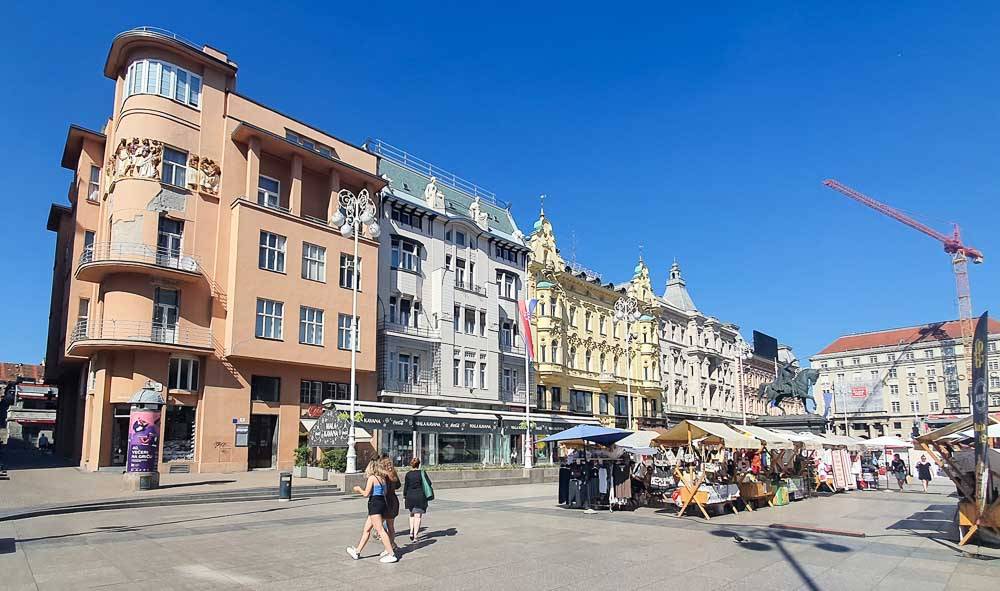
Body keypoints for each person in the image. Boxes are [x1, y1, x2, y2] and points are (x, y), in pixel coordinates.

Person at [346, 460, 398, 563]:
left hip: (374, 505)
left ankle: (391, 554)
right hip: (381, 503)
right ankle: (357, 551)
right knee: (366, 529)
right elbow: (385, 492)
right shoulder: (382, 478)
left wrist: (358, 489)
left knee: (380, 530)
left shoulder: (372, 478)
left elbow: (366, 493)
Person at [404, 457, 432, 541]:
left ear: (411, 464)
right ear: (419, 464)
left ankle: (411, 532)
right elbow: (429, 483)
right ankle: (415, 535)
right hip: (420, 496)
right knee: (418, 516)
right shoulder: (422, 473)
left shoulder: (408, 474)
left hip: (410, 496)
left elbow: (406, 486)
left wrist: (405, 496)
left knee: (412, 514)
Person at [379, 455, 401, 552]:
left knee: (379, 526)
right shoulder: (394, 473)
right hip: (394, 500)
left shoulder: (383, 475)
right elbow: (398, 486)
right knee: (391, 526)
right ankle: (391, 544)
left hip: (385, 501)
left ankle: (389, 547)